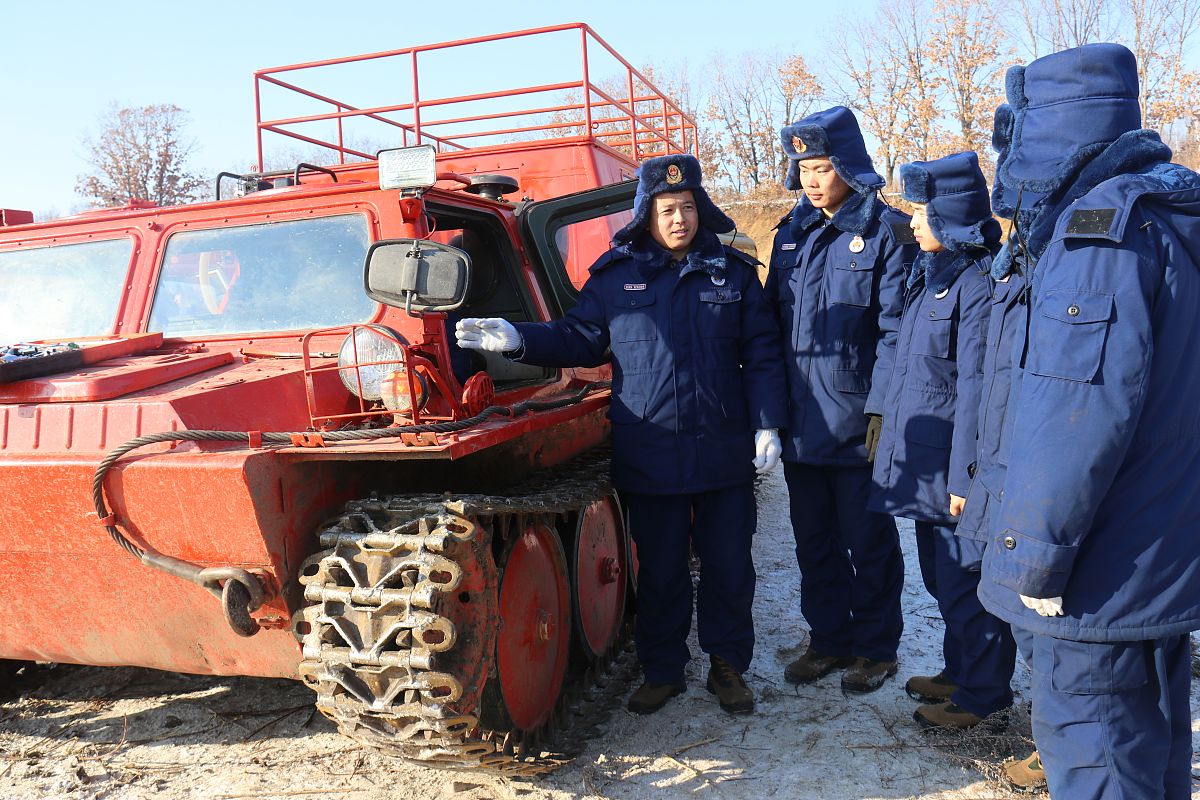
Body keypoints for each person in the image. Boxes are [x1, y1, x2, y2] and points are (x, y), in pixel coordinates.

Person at [454, 153, 787, 716]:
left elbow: (761, 353)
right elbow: (580, 338)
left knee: (729, 567)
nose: (678, 219)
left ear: (699, 210)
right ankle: (663, 670)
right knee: (658, 571)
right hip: (651, 450)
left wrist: (768, 421)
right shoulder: (616, 276)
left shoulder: (730, 275)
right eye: (666, 209)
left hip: (721, 449)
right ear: (646, 214)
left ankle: (728, 666)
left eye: (686, 207)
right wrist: (517, 339)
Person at [975, 43, 1200, 798]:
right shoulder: (1168, 216)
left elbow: (1071, 419)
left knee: (1100, 756)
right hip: (1157, 553)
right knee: (1152, 750)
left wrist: (1033, 558)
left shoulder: (1093, 238)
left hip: (1098, 572)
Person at [766, 106, 916, 694]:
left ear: (849, 168)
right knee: (815, 543)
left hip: (859, 426)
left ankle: (876, 649)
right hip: (802, 425)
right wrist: (768, 417)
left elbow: (897, 333)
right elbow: (772, 329)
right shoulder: (790, 234)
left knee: (869, 544)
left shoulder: (888, 232)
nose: (810, 179)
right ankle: (828, 640)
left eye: (822, 166)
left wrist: (882, 412)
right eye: (803, 167)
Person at [867, 151, 1016, 730]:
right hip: (926, 465)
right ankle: (960, 672)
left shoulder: (975, 285)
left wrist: (965, 477)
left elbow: (976, 388)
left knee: (966, 585)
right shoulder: (932, 278)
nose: (913, 223)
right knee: (941, 580)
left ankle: (983, 694)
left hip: (954, 472)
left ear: (952, 216)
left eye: (924, 212)